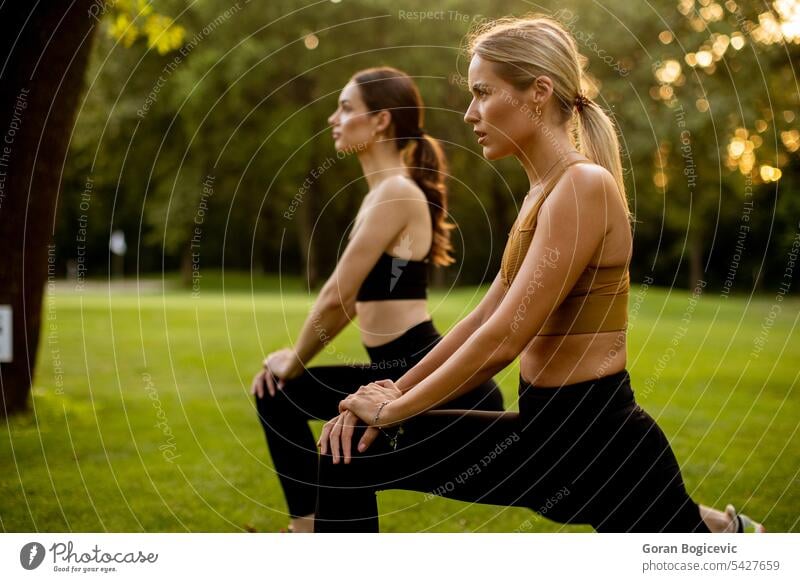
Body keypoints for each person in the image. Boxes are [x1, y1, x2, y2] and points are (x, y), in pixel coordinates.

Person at [314, 16, 766, 533]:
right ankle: (726, 534)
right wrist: (394, 392)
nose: (469, 112)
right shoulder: (542, 194)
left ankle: (729, 538)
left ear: (539, 92)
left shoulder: (582, 187)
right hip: (546, 437)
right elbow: (481, 321)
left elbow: (507, 337)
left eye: (483, 92)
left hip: (597, 446)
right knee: (344, 456)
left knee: (346, 456)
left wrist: (395, 412)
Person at [252, 66, 505, 533]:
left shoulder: (396, 192)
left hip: (428, 374)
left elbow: (338, 298)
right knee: (279, 397)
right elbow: (348, 300)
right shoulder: (381, 194)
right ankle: (305, 527)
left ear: (381, 121)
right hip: (393, 370)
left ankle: (312, 533)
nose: (334, 118)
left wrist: (294, 360)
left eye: (347, 108)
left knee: (322, 426)